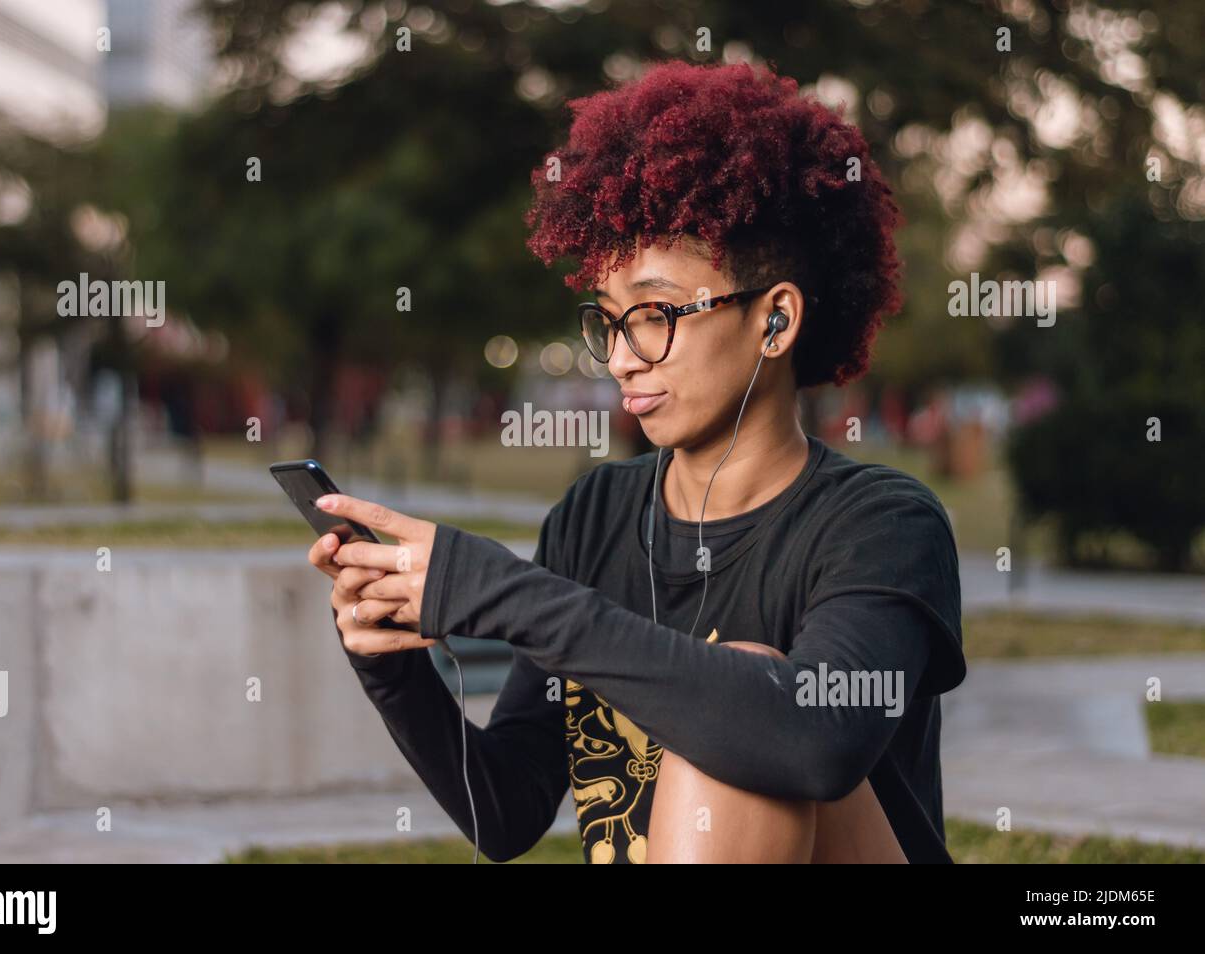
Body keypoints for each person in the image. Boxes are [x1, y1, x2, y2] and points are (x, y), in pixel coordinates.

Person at [306, 60, 965, 864]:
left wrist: (506, 595)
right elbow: (508, 811)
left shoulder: (881, 525)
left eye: (653, 315)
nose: (620, 359)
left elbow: (810, 739)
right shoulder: (595, 519)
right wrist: (391, 670)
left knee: (747, 703)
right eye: (608, 321)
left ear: (776, 320)